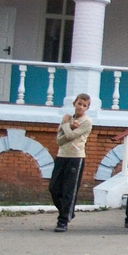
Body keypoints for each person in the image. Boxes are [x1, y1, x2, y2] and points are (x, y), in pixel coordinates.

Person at [48, 93, 92, 233]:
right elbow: (60, 140)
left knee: (69, 189)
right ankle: (67, 211)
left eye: (84, 105)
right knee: (54, 187)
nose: (81, 107)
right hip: (62, 155)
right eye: (79, 104)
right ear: (74, 103)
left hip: (76, 157)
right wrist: (68, 125)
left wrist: (67, 125)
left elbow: (70, 136)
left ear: (87, 108)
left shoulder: (86, 122)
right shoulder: (68, 118)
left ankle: (63, 221)